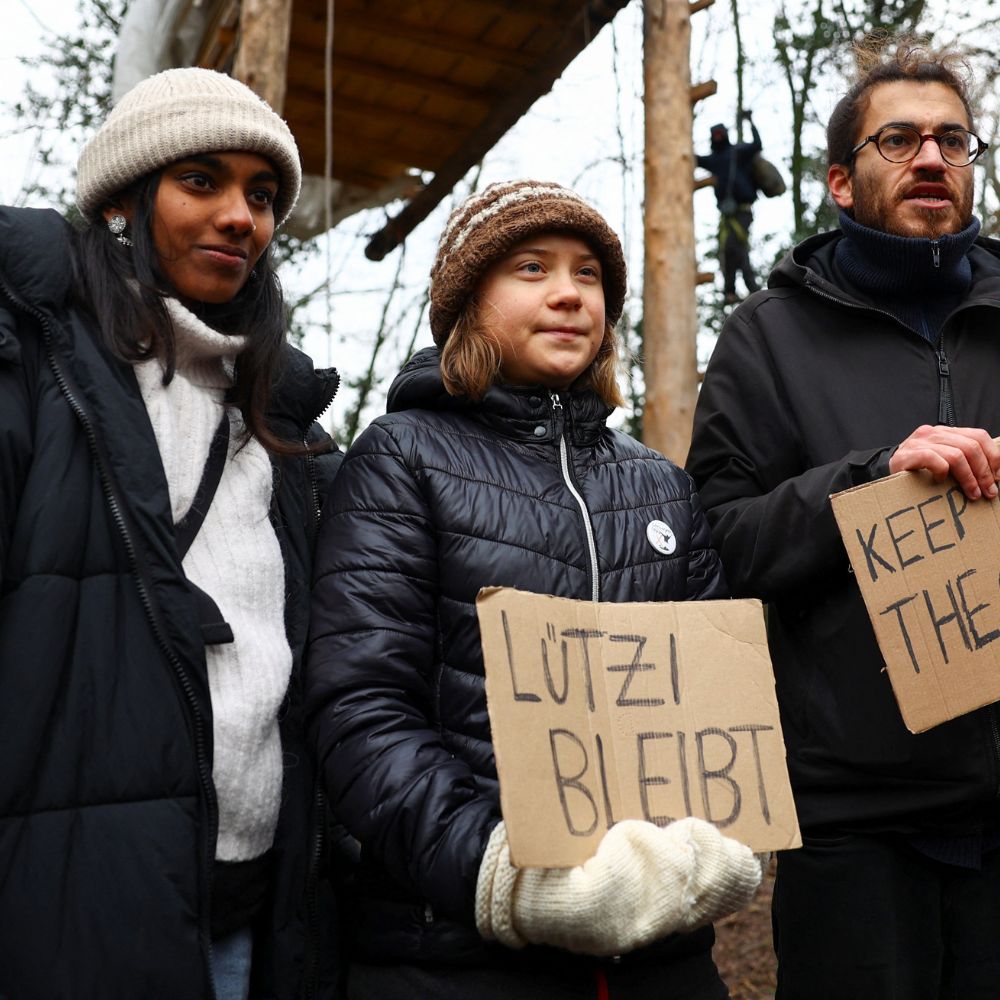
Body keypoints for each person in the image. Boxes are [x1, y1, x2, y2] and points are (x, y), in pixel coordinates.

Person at [306, 179, 764, 1000]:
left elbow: (716, 712)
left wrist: (724, 843)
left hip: (659, 963)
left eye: (588, 275)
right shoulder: (402, 459)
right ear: (469, 302)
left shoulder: (663, 487)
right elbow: (360, 706)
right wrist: (503, 876)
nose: (567, 293)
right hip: (451, 954)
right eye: (531, 267)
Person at [0, 68, 342, 999]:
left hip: (255, 915)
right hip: (72, 913)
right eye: (203, 181)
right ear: (123, 202)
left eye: (262, 196)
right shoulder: (29, 362)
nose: (242, 216)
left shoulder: (290, 424)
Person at [686, 41, 1000, 999]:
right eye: (899, 140)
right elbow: (719, 547)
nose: (933, 159)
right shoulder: (765, 340)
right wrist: (870, 480)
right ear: (839, 181)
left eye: (954, 140)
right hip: (853, 822)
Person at [696, 113, 762, 303]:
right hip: (726, 215)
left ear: (724, 135)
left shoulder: (737, 152)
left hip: (743, 210)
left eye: (719, 134)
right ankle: (734, 291)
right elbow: (695, 159)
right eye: (714, 135)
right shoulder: (714, 160)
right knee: (729, 248)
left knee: (733, 245)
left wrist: (751, 121)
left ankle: (745, 288)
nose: (717, 137)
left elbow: (757, 144)